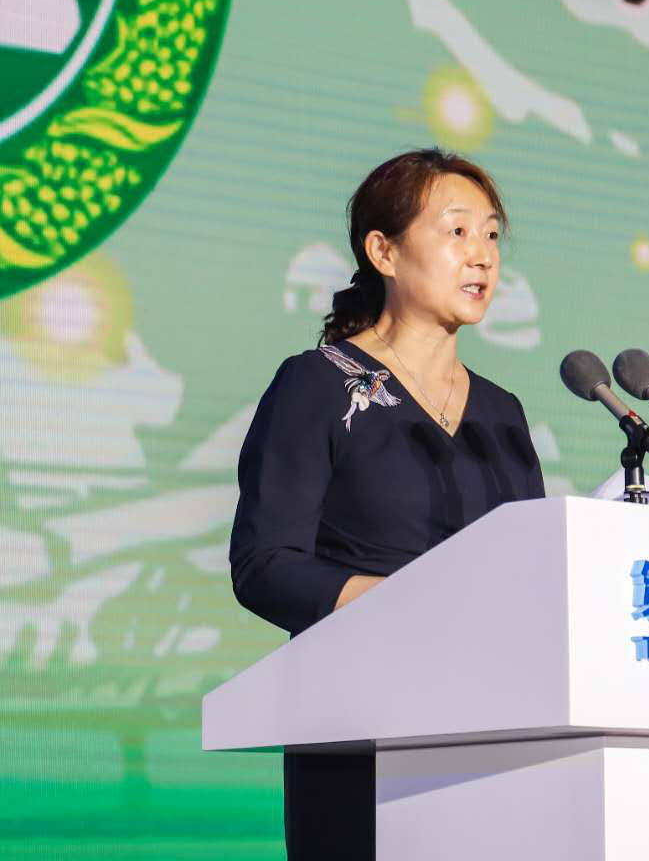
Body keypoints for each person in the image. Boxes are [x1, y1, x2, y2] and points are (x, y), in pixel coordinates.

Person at [229, 148, 545, 860]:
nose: (482, 256)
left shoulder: (502, 413)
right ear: (384, 252)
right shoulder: (318, 384)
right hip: (357, 731)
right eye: (456, 232)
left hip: (489, 729)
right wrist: (404, 602)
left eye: (491, 235)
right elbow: (264, 564)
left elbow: (526, 572)